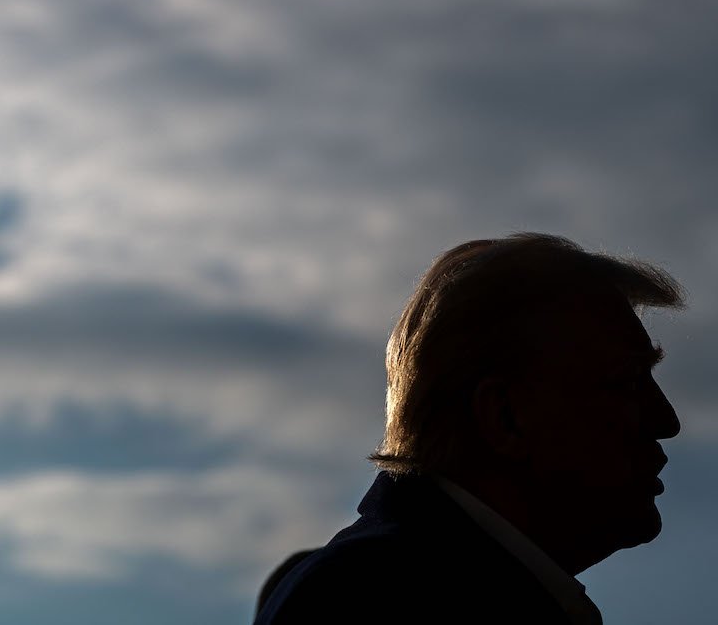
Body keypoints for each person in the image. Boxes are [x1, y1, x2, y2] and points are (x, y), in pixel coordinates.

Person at [255, 233, 684, 624]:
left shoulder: (393, 584)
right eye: (625, 382)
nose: (667, 421)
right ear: (504, 417)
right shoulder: (375, 598)